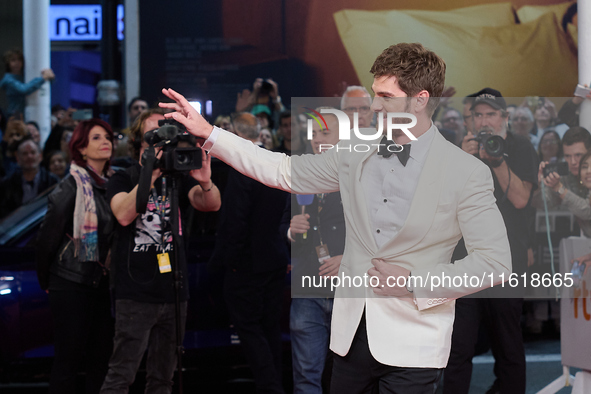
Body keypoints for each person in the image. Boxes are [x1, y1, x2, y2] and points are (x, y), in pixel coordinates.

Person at [160, 42, 511, 393]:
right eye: (375, 94)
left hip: (415, 343)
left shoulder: (466, 172)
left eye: (386, 97)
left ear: (419, 100)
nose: (374, 106)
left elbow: (495, 263)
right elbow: (283, 169)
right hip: (349, 337)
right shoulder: (355, 151)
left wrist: (414, 282)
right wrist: (211, 134)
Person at [100, 108, 221, 394]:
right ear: (139, 143)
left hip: (174, 291)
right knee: (121, 377)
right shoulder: (123, 178)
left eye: (165, 137)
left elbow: (211, 204)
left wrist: (205, 181)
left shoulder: (178, 177)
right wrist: (149, 173)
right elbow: (123, 215)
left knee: (162, 379)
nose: (160, 145)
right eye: (152, 138)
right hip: (135, 294)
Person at [449, 88, 539, 394]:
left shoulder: (521, 146)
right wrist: (463, 158)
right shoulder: (456, 149)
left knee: (507, 343)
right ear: (470, 119)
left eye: (491, 114)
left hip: (505, 260)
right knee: (458, 345)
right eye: (479, 114)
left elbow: (521, 199)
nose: (485, 121)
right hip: (463, 260)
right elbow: (443, 203)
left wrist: (497, 160)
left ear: (504, 117)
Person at [209, 112, 289, 393]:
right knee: (269, 331)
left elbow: (236, 221)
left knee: (252, 330)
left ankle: (270, 388)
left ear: (232, 132)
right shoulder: (276, 160)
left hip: (247, 266)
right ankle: (274, 385)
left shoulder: (243, 167)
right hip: (275, 260)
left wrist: (228, 263)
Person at [36, 119, 115, 394]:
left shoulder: (116, 182)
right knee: (67, 362)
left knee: (101, 361)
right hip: (70, 282)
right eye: (96, 138)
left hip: (103, 283)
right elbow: (46, 240)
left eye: (107, 136)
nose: (106, 141)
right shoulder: (71, 186)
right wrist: (47, 279)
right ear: (80, 149)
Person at [289, 108, 345, 394]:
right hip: (308, 289)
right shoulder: (300, 172)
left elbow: (381, 233)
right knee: (306, 377)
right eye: (313, 133)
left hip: (349, 291)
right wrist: (290, 230)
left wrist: (348, 261)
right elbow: (272, 226)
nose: (316, 139)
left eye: (325, 132)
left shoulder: (361, 175)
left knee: (348, 378)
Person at [0, 138, 59, 218]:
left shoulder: (53, 182)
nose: (29, 156)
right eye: (25, 153)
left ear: (40, 156)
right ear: (18, 158)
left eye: (33, 152)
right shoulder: (7, 184)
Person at [0, 49, 54, 116]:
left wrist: (50, 77)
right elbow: (24, 89)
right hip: (15, 115)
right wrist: (43, 78)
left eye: (19, 60)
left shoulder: (25, 76)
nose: (17, 63)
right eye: (13, 60)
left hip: (31, 112)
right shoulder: (8, 79)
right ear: (8, 63)